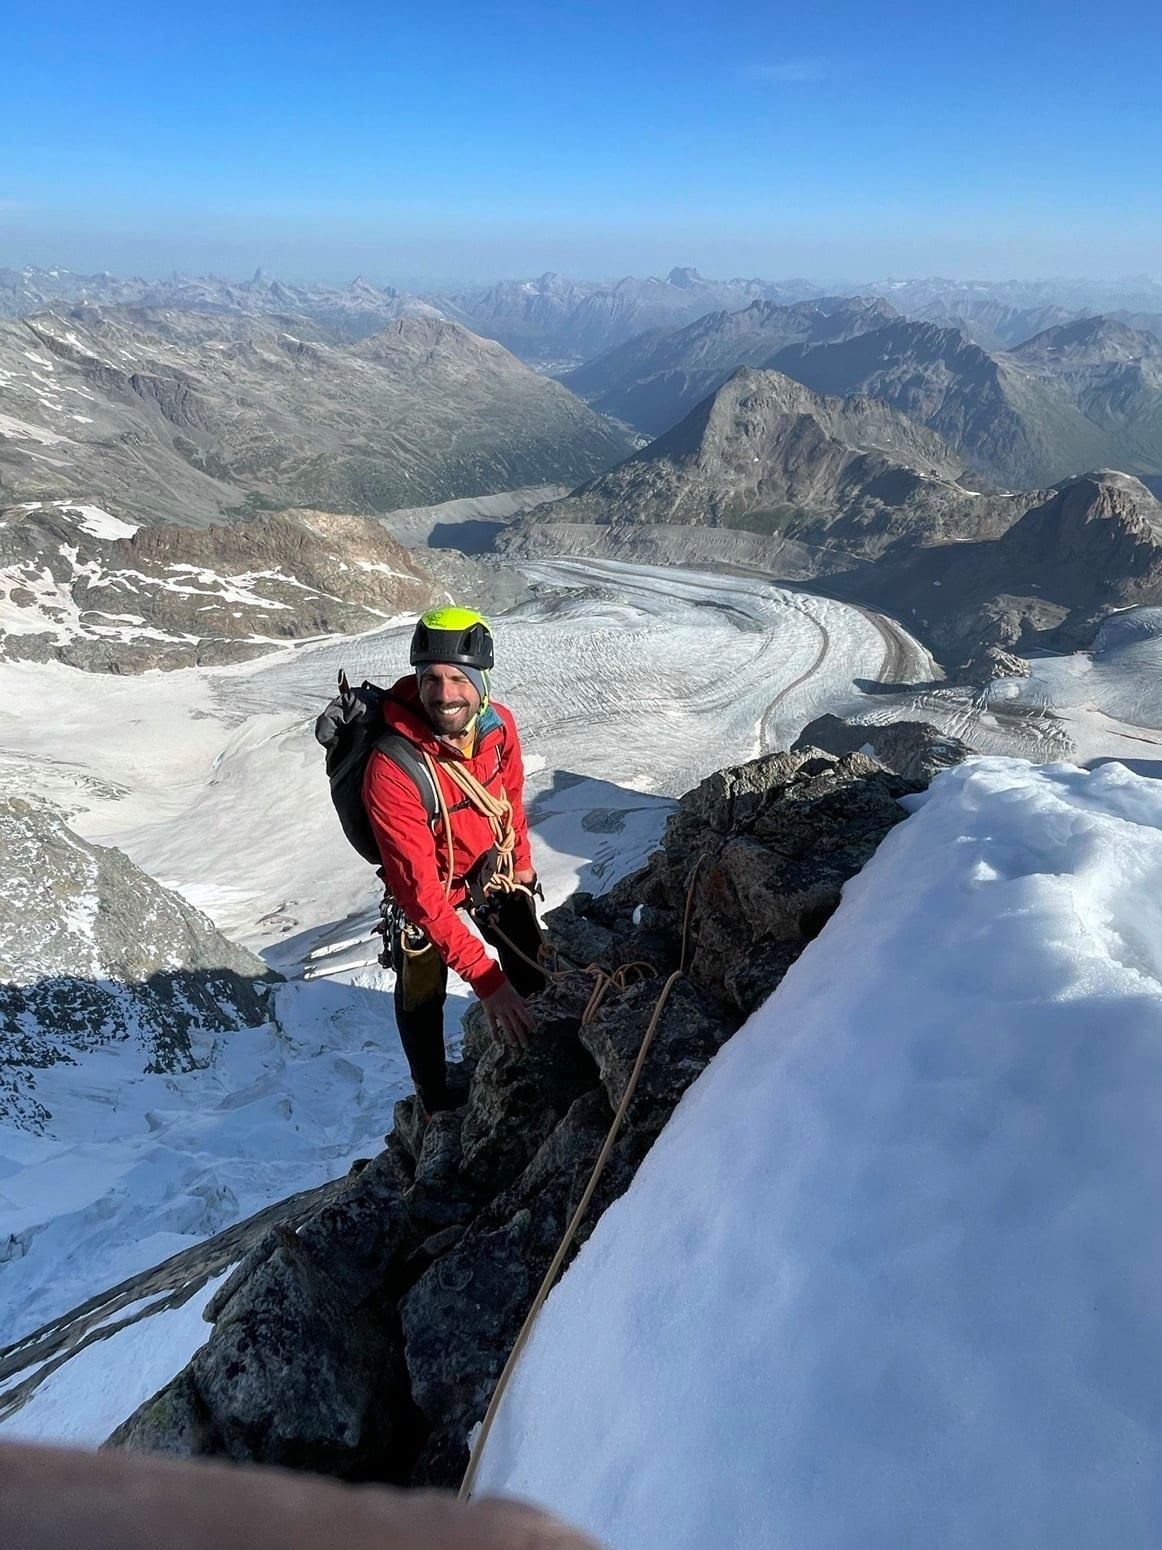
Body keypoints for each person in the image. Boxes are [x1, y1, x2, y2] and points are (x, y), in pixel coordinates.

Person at [363, 607, 546, 1113]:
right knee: (422, 992)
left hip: (490, 867)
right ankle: (434, 1100)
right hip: (430, 889)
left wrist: (523, 866)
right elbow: (421, 893)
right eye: (431, 680)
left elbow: (509, 796)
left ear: (479, 681)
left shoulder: (498, 727)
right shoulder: (393, 767)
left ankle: (539, 1044)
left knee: (530, 960)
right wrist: (487, 983)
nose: (444, 694)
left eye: (456, 678)